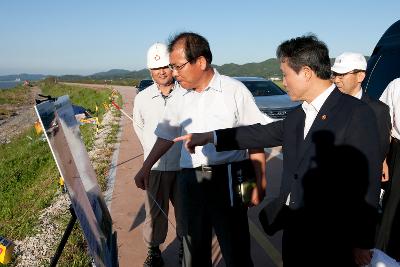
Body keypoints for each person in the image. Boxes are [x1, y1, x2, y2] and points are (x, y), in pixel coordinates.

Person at [174, 35, 382, 267]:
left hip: (332, 235)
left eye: (285, 74)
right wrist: (211, 136)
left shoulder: (356, 113)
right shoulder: (297, 116)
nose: (284, 82)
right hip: (295, 229)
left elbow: (367, 184)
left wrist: (363, 242)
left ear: (306, 72)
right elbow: (257, 133)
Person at [134, 32, 270, 267]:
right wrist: (146, 167)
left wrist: (259, 182)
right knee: (194, 244)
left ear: (201, 62)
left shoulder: (234, 91)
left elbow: (254, 137)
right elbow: (166, 136)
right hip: (192, 177)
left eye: (178, 66)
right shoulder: (179, 96)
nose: (174, 73)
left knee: (234, 242)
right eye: (172, 67)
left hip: (229, 175)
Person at [133, 42, 183, 267]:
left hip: (184, 166)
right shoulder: (142, 98)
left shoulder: (187, 93)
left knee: (186, 212)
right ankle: (154, 252)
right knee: (155, 215)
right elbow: (140, 129)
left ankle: (185, 247)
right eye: (156, 68)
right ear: (149, 71)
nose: (161, 71)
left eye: (165, 66)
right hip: (154, 168)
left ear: (172, 66)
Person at [331, 52, 391, 164]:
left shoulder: (377, 110)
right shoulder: (327, 105)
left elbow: (380, 149)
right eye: (334, 74)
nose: (336, 80)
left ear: (360, 76)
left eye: (342, 75)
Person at [376, 78, 400, 261]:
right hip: (398, 152)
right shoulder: (396, 85)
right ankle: (384, 258)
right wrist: (383, 159)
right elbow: (384, 123)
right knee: (392, 207)